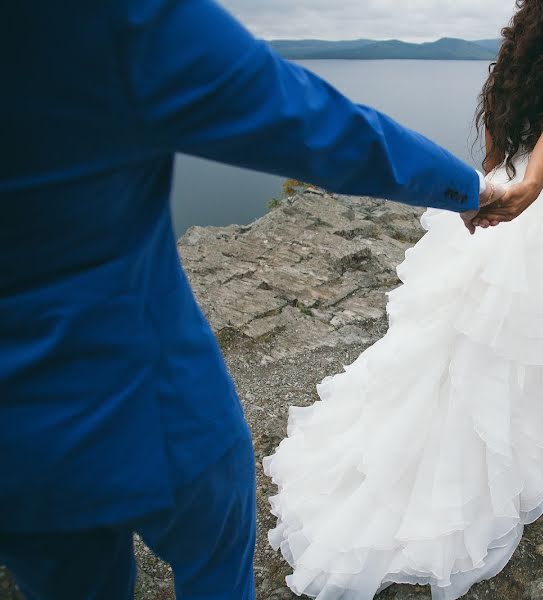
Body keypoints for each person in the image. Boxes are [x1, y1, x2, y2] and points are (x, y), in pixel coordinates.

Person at [0, 0, 505, 598]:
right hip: (144, 397)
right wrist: (470, 190)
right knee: (215, 560)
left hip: (16, 460)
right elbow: (318, 127)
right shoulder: (109, 17)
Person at [262, 0, 543, 598]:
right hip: (535, 206)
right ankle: (477, 471)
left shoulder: (513, 61)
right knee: (514, 335)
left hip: (492, 198)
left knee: (462, 334)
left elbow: (495, 143)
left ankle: (446, 452)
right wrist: (530, 188)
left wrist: (478, 199)